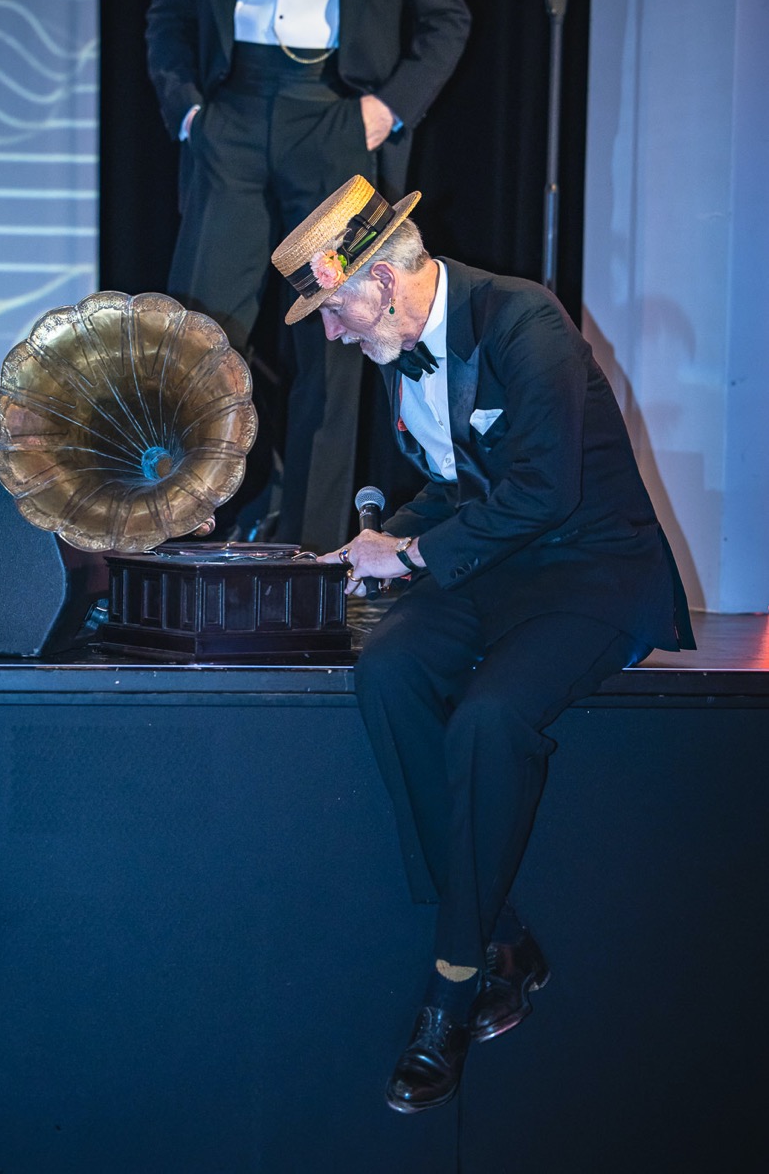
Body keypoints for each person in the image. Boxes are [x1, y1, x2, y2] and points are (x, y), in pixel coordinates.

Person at [270, 174, 696, 1113]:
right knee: (386, 671)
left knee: (489, 718)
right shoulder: (394, 345)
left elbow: (543, 491)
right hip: (496, 566)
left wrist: (410, 554)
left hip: (590, 567)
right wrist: (379, 544)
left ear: (383, 281)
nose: (330, 334)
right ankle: (498, 928)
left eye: (333, 309)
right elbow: (457, 483)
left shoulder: (522, 321)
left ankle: (453, 985)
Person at [145, 0, 470, 550]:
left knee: (335, 345)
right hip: (231, 117)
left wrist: (383, 112)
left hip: (334, 121)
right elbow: (168, 16)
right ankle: (180, 543)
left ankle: (310, 557)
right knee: (197, 339)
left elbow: (447, 18)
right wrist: (190, 117)